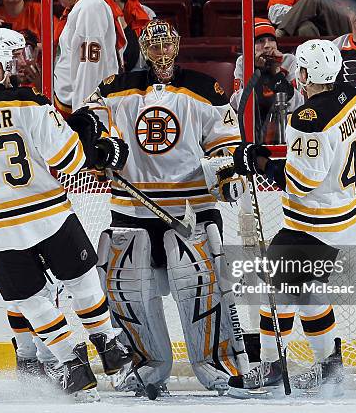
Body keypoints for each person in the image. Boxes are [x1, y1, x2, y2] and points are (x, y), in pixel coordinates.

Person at [0, 28, 132, 398]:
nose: (17, 67)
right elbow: (70, 159)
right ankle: (108, 346)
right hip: (48, 213)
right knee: (82, 279)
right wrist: (89, 138)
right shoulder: (28, 103)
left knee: (30, 300)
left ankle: (72, 365)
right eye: (11, 61)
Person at [83, 20, 249, 397]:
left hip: (192, 208)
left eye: (166, 44)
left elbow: (226, 144)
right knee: (129, 293)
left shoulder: (206, 89)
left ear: (177, 45)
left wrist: (226, 174)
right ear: (143, 47)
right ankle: (144, 368)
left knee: (202, 290)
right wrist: (102, 147)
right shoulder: (114, 88)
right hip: (131, 208)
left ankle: (217, 367)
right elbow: (91, 123)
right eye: (153, 45)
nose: (160, 52)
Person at [229, 39, 356, 396]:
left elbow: (301, 182)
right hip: (349, 217)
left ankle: (281, 366)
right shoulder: (354, 99)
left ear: (305, 74)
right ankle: (322, 365)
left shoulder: (308, 118)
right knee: (299, 289)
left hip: (317, 223)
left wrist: (259, 162)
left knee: (278, 286)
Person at [230, 18, 304, 144]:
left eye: (271, 40)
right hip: (253, 130)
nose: (267, 45)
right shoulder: (243, 62)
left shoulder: (289, 61)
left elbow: (298, 103)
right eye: (260, 41)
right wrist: (257, 71)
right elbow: (237, 103)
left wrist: (276, 72)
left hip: (284, 129)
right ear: (250, 45)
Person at [53, 0, 130, 116]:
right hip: (70, 104)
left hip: (79, 109)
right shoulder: (86, 5)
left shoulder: (91, 6)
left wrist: (84, 116)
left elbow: (90, 70)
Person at [267, 0, 351, 38]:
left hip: (345, 21)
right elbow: (274, 13)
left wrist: (304, 10)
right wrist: (307, 11)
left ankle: (282, 31)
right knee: (305, 28)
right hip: (310, 26)